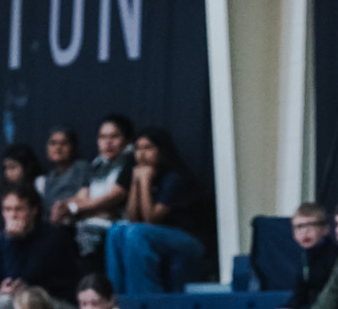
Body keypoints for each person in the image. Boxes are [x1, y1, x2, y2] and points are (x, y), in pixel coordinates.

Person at [104, 127, 209, 295]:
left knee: (137, 233)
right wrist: (135, 182)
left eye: (148, 148)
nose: (141, 154)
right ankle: (115, 297)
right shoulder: (141, 173)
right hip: (154, 234)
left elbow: (151, 220)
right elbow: (132, 218)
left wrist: (144, 181)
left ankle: (145, 298)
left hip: (187, 238)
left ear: (161, 150)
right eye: (138, 148)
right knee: (115, 231)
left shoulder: (174, 177)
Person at [257, 205, 338, 309]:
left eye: (311, 225)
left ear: (325, 229)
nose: (305, 232)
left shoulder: (335, 256)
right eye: (299, 227)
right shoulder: (305, 257)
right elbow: (299, 294)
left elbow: (333, 301)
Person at [50, 114, 136, 259]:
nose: (107, 143)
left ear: (127, 140)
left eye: (114, 136)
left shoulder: (131, 162)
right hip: (90, 220)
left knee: (87, 235)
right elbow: (82, 195)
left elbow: (114, 198)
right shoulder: (97, 163)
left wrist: (74, 208)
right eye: (102, 137)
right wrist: (63, 205)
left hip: (117, 226)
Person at [37, 128, 92, 217]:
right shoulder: (49, 177)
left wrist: (65, 206)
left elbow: (84, 197)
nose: (58, 148)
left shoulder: (81, 167)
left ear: (73, 147)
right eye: (53, 143)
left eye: (64, 143)